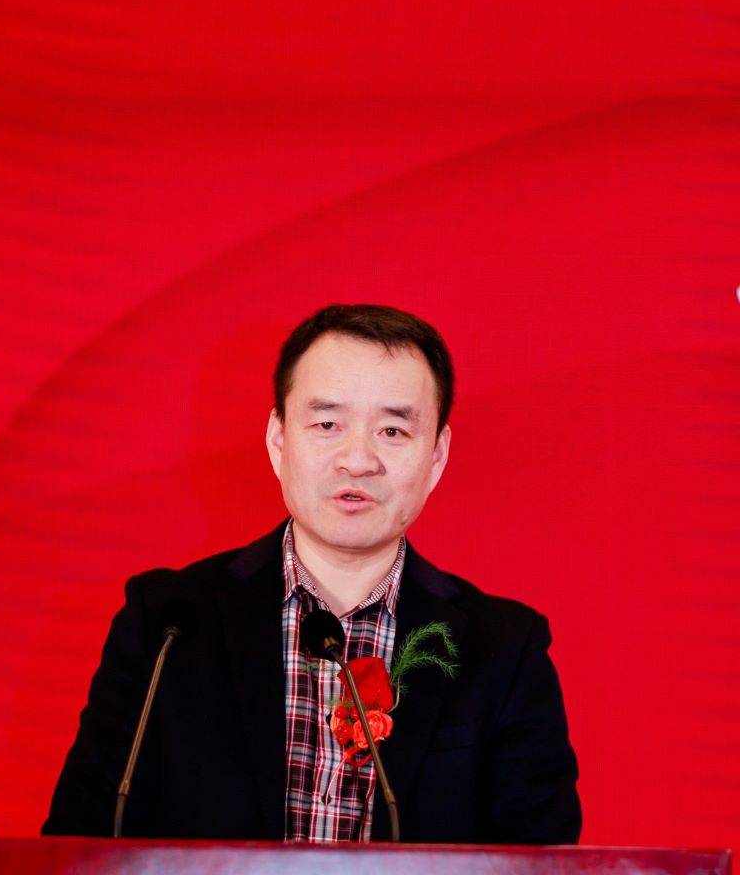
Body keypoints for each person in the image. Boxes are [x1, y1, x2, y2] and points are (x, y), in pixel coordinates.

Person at [42, 303, 581, 844]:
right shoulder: (167, 626)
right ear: (278, 440)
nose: (358, 459)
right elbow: (79, 842)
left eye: (393, 431)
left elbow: (542, 861)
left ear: (436, 456)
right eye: (327, 424)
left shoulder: (504, 650)